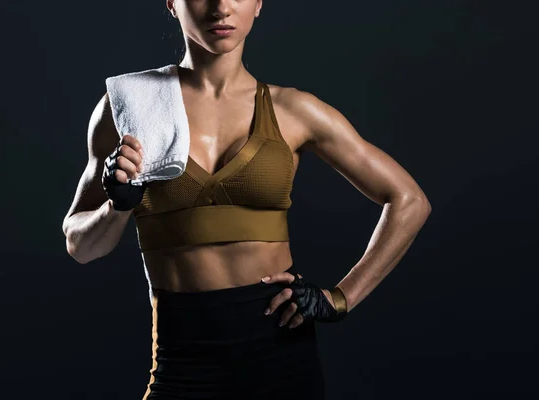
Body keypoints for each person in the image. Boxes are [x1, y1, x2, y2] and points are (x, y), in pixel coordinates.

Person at [62, 0, 432, 399]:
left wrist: (339, 299)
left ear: (257, 4)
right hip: (183, 361)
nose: (221, 7)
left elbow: (409, 199)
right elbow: (80, 246)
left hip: (281, 354)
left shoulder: (293, 110)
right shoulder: (130, 107)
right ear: (172, 3)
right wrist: (117, 205)